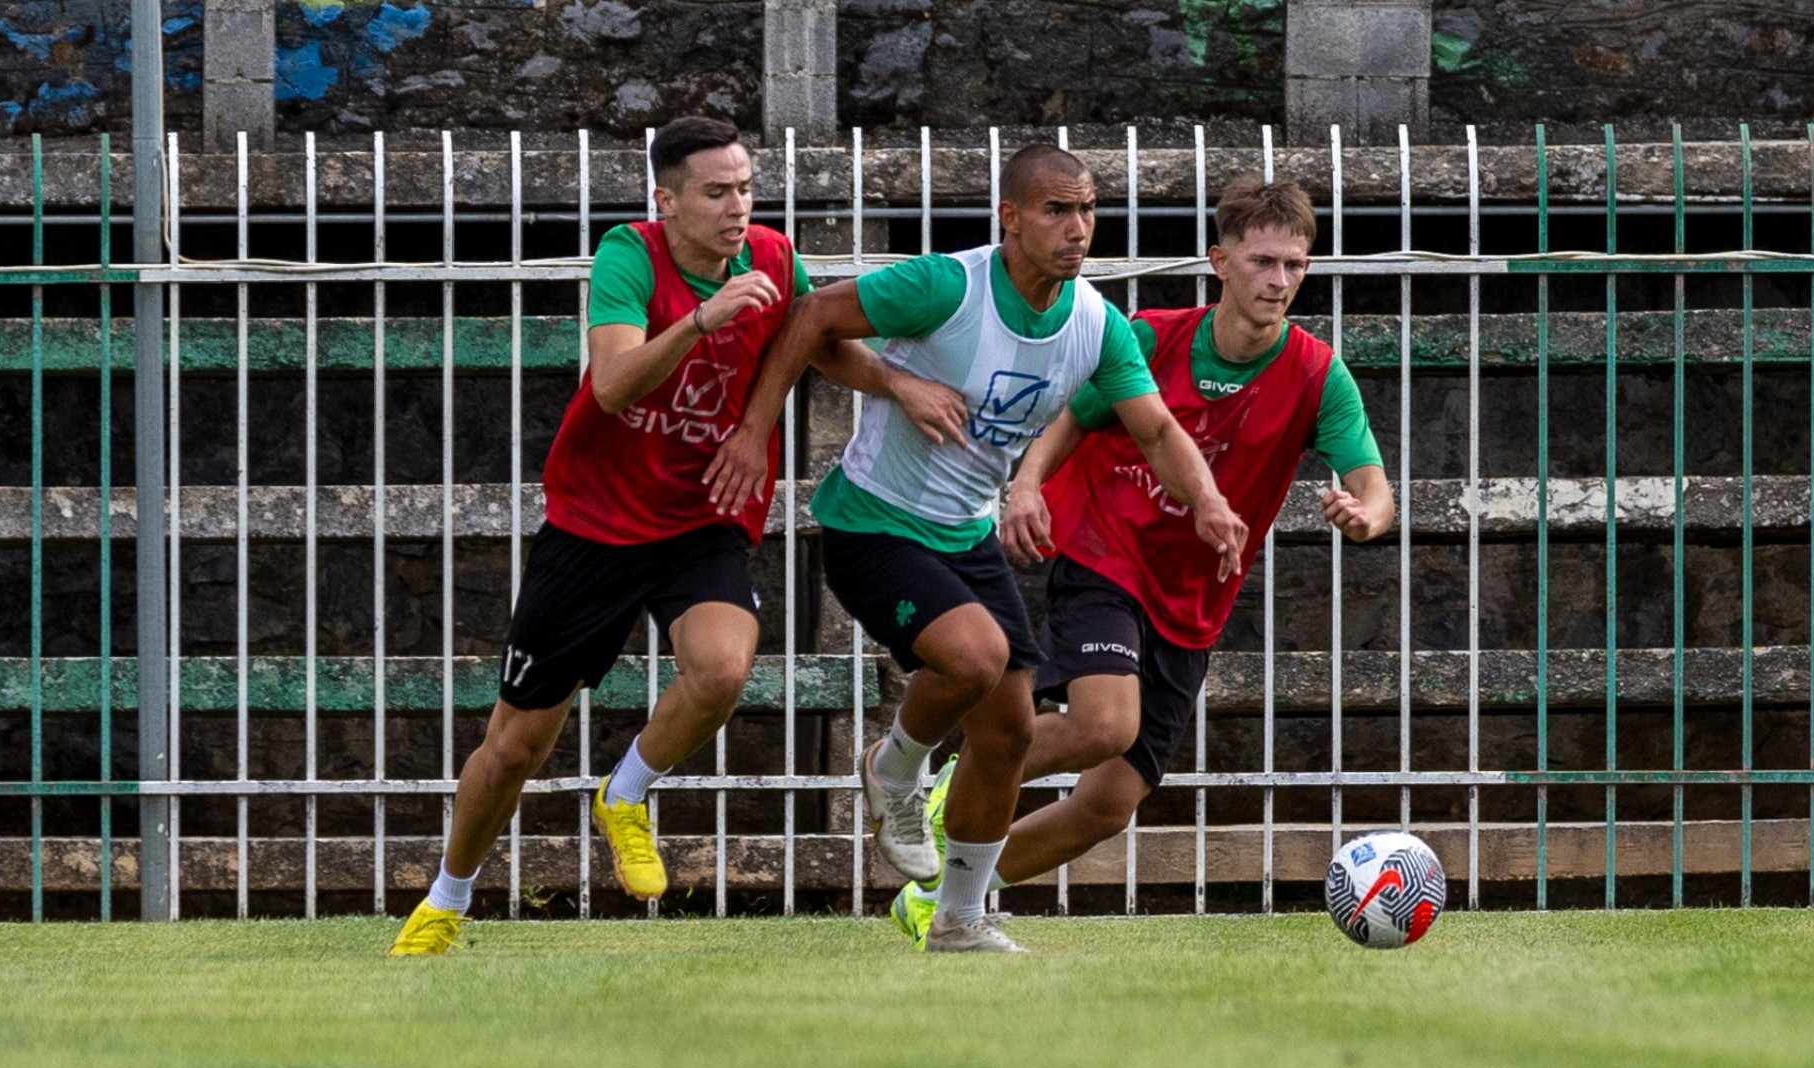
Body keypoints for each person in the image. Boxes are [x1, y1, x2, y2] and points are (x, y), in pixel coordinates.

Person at [389, 116, 958, 955]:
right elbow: (613, 383)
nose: (738, 208)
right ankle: (447, 898)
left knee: (725, 666)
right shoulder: (629, 254)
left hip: (702, 517)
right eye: (716, 192)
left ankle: (624, 795)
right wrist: (703, 319)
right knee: (514, 748)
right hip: (595, 526)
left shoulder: (770, 254)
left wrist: (898, 383)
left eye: (746, 189)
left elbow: (815, 344)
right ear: (667, 201)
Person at [704, 144, 1249, 952]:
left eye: (1089, 210)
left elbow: (1157, 427)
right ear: (1011, 217)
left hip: (963, 537)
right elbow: (811, 316)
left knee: (1009, 731)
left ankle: (959, 918)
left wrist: (1207, 500)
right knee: (975, 656)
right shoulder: (947, 286)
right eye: (1057, 211)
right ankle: (895, 767)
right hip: (873, 522)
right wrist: (813, 411)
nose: (1078, 229)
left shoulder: (1096, 325)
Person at [888, 177, 1396, 947]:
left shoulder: (1316, 373)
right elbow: (1071, 418)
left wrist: (1363, 517)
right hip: (1104, 551)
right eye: (1263, 261)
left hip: (1194, 600)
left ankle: (949, 893)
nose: (1279, 281)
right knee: (1102, 723)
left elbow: (1375, 488)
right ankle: (958, 784)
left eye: (1295, 265)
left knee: (1106, 806)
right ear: (1218, 261)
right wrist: (1026, 483)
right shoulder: (1151, 337)